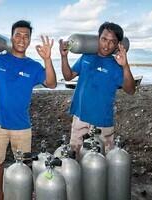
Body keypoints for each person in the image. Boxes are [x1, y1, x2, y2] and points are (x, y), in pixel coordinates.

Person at [0, 20, 56, 200]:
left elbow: (51, 84)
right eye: (18, 35)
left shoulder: (34, 66)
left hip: (22, 125)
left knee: (25, 164)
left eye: (26, 36)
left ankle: (26, 193)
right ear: (11, 37)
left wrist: (47, 59)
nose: (22, 39)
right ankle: (0, 194)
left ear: (29, 41)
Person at [59, 22, 135, 158]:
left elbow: (130, 90)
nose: (107, 45)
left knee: (101, 161)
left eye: (112, 42)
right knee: (74, 157)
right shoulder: (86, 57)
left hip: (103, 122)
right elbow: (68, 76)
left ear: (117, 45)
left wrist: (125, 65)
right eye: (104, 39)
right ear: (98, 38)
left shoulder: (116, 65)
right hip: (80, 117)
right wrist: (64, 57)